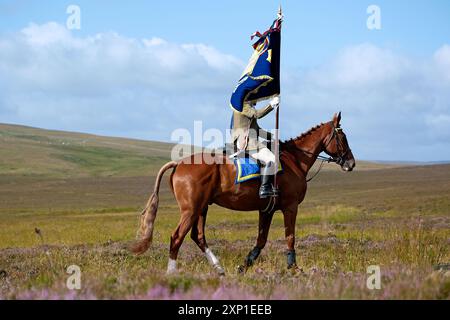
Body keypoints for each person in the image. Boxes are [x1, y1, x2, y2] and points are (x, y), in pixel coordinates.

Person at [230, 96, 280, 198]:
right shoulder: (242, 105)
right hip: (247, 142)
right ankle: (264, 188)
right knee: (272, 159)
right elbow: (258, 114)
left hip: (250, 139)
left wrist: (273, 137)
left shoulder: (248, 106)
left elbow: (256, 130)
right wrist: (271, 105)